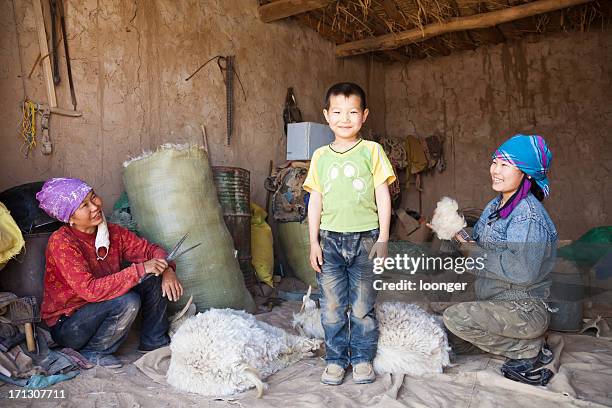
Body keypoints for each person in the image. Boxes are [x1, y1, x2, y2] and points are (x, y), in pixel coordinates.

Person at [442, 134, 558, 385]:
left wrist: (472, 251)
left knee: (455, 318)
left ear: (526, 172)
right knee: (448, 335)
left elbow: (523, 270)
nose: (495, 170)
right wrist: (455, 232)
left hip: (523, 309)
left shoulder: (527, 215)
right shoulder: (496, 205)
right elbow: (481, 242)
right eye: (495, 162)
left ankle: (526, 349)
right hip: (494, 300)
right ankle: (523, 341)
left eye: (505, 165)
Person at [36, 178, 184, 368]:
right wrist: (140, 269)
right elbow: (91, 290)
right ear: (69, 218)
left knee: (153, 276)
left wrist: (167, 269)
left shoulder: (112, 232)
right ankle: (95, 351)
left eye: (93, 197)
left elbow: (151, 251)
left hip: (102, 304)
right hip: (70, 324)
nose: (95, 206)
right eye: (84, 205)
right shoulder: (62, 242)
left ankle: (153, 341)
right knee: (128, 301)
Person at [303, 82, 395, 385]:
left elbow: (383, 195)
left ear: (364, 115)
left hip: (366, 238)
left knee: (362, 305)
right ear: (327, 115)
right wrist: (313, 241)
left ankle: (362, 359)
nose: (345, 118)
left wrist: (383, 238)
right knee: (330, 307)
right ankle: (335, 360)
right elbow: (314, 200)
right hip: (329, 240)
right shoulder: (320, 156)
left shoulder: (372, 151)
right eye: (338, 112)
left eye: (352, 112)